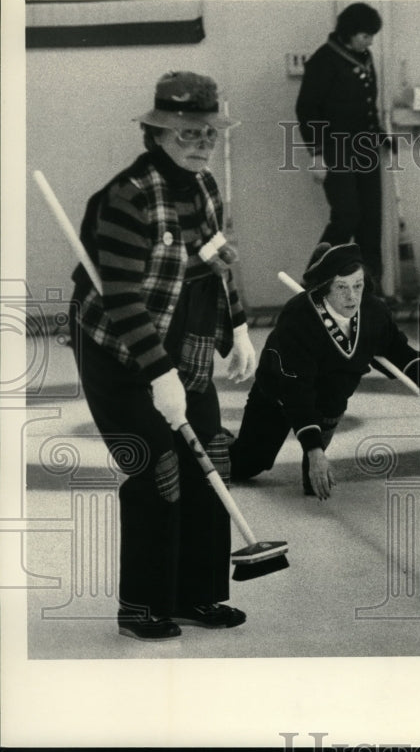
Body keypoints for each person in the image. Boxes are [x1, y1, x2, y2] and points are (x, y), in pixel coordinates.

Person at [70, 71, 257, 641]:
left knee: (209, 461)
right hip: (117, 346)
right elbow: (122, 297)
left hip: (185, 334)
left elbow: (218, 259)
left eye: (208, 133)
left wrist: (240, 327)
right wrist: (158, 373)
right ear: (157, 134)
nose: (200, 143)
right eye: (186, 134)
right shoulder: (128, 196)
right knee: (158, 465)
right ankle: (142, 605)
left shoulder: (203, 187)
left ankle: (194, 596)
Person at [229, 242, 420, 499]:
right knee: (246, 465)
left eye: (357, 286)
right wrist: (314, 450)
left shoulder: (374, 312)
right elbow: (296, 390)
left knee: (313, 486)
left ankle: (314, 456)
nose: (352, 297)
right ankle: (214, 441)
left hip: (331, 401)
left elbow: (397, 349)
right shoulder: (298, 318)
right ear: (325, 287)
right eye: (342, 287)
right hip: (280, 394)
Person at [295, 2, 389, 295]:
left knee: (370, 221)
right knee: (347, 217)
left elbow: (366, 103)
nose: (370, 41)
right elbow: (306, 110)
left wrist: (380, 135)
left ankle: (371, 289)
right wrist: (317, 154)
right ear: (349, 33)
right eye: (365, 35)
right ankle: (313, 281)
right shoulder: (324, 61)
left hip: (365, 149)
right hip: (336, 150)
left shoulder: (364, 56)